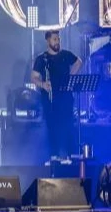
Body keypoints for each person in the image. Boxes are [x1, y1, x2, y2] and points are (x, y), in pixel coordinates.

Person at [31, 30, 82, 161]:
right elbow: (34, 77)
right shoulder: (42, 59)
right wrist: (43, 84)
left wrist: (71, 76)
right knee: (52, 129)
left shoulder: (65, 55)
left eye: (58, 39)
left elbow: (79, 62)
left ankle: (70, 159)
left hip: (66, 99)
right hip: (50, 100)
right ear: (48, 41)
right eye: (54, 39)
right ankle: (53, 158)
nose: (57, 42)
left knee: (68, 128)